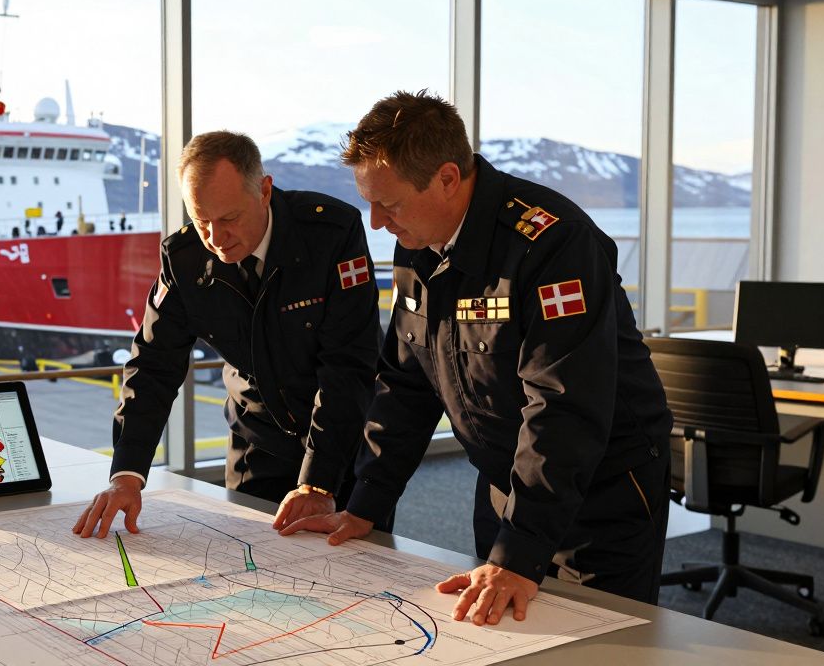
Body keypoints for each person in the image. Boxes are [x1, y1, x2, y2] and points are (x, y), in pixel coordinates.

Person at [280, 91, 674, 626]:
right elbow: (404, 385)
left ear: (447, 178)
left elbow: (563, 406)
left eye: (389, 205)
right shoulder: (417, 240)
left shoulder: (553, 245)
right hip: (503, 482)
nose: (375, 222)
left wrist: (519, 553)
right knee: (500, 632)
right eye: (370, 203)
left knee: (600, 644)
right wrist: (365, 504)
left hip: (601, 491)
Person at [73, 130, 380, 540]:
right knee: (248, 561)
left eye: (229, 219)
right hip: (259, 440)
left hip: (343, 441)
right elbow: (153, 366)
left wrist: (318, 482)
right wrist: (126, 474)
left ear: (264, 191)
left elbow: (348, 365)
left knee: (357, 566)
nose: (216, 240)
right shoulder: (184, 260)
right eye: (201, 222)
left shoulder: (331, 234)